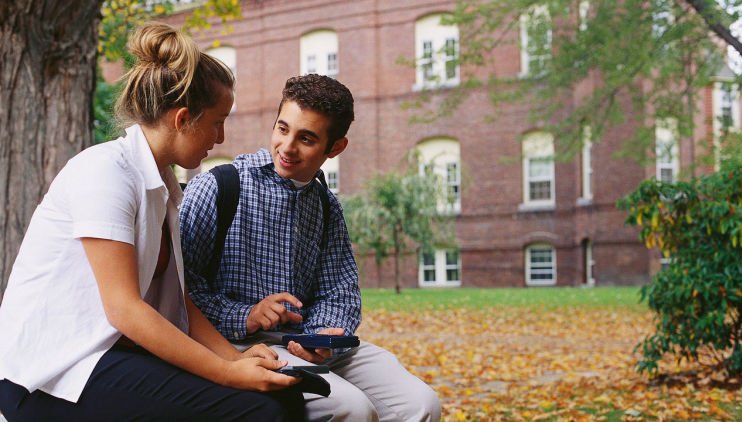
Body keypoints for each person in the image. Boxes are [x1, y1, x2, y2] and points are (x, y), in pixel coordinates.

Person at [0, 22, 304, 420]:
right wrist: (229, 375)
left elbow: (178, 305)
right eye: (216, 121)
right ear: (182, 119)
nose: (222, 137)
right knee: (257, 411)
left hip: (107, 358)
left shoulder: (162, 186)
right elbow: (125, 309)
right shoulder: (105, 172)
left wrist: (237, 357)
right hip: (48, 373)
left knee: (284, 398)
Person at [180, 73, 442, 421]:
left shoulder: (325, 204)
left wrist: (322, 334)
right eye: (282, 128)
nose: (287, 147)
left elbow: (340, 291)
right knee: (352, 409)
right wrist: (247, 315)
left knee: (421, 404)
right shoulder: (217, 187)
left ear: (335, 148)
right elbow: (177, 289)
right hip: (237, 343)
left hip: (307, 344)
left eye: (306, 138)